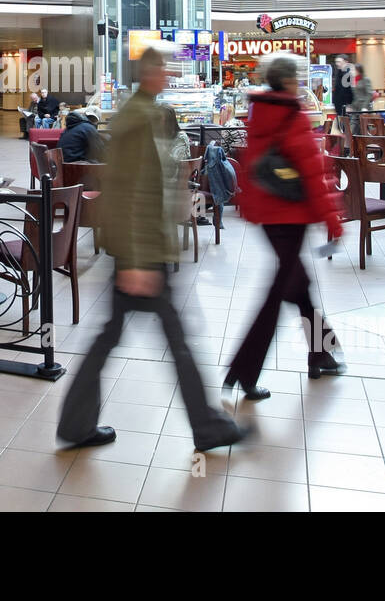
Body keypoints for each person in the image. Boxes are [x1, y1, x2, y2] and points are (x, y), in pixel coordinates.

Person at [56, 45, 250, 453]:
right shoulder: (141, 120)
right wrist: (139, 261)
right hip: (141, 254)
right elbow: (132, 192)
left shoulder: (137, 114)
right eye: (163, 68)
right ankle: (206, 426)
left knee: (117, 336)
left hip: (138, 250)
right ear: (148, 73)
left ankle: (77, 423)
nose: (168, 75)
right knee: (173, 338)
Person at [228, 56, 346, 394]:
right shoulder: (293, 118)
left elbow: (251, 166)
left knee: (299, 285)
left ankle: (320, 355)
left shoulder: (259, 114)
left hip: (268, 216)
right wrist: (334, 223)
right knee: (279, 293)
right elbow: (313, 173)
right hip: (291, 217)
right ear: (292, 82)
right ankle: (244, 373)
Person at [331, 54, 354, 140]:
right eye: (336, 62)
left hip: (345, 106)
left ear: (345, 62)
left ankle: (346, 147)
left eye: (339, 61)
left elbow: (349, 90)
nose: (337, 64)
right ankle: (344, 146)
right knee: (342, 128)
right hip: (340, 106)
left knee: (346, 128)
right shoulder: (340, 72)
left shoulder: (348, 73)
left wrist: (349, 104)